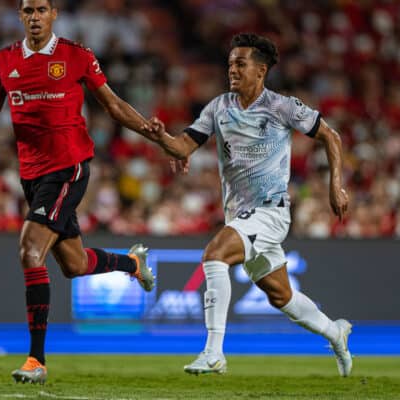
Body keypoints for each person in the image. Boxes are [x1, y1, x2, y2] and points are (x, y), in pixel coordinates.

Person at [0, 0, 155, 384]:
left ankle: (36, 360)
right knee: (74, 264)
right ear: (20, 16)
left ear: (53, 15)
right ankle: (133, 264)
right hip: (31, 176)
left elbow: (113, 105)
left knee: (30, 251)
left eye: (42, 9)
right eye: (28, 10)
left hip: (69, 166)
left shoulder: (76, 56)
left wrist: (151, 132)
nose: (35, 17)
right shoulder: (3, 61)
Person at [148, 33, 352, 377]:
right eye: (230, 64)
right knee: (281, 296)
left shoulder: (282, 106)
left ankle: (213, 352)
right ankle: (336, 333)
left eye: (240, 64)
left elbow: (331, 136)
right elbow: (183, 147)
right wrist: (160, 137)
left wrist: (336, 186)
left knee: (214, 255)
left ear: (261, 71)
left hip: (270, 213)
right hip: (240, 216)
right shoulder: (218, 108)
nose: (233, 70)